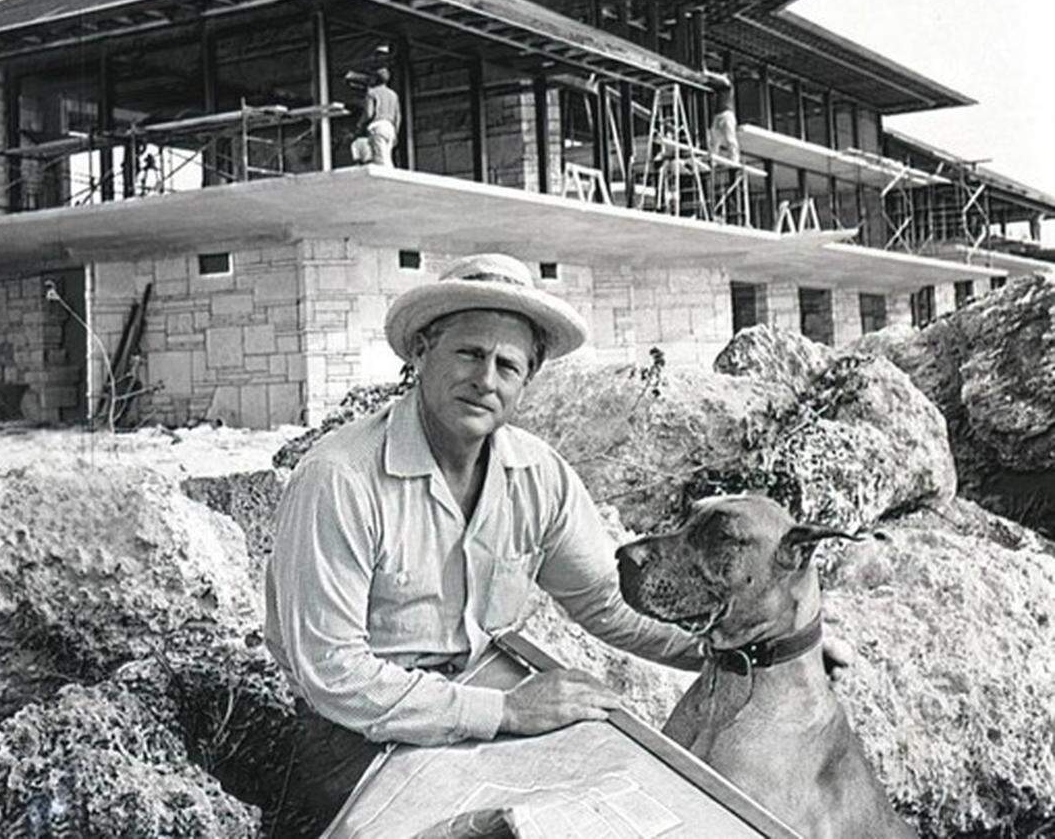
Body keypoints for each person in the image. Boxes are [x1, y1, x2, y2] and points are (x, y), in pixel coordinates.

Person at [264, 253, 852, 834]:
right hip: (361, 739)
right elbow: (335, 675)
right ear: (421, 351)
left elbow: (606, 601)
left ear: (528, 379)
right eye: (468, 353)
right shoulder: (339, 478)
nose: (485, 380)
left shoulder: (536, 474)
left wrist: (759, 646)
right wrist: (506, 711)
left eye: (507, 365)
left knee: (636, 811)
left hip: (491, 710)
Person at [358, 65, 400, 167]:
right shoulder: (393, 95)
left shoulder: (372, 93)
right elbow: (398, 116)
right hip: (390, 128)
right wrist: (395, 132)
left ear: (375, 79)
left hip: (377, 127)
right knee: (387, 158)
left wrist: (360, 124)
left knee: (380, 161)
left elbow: (369, 113)